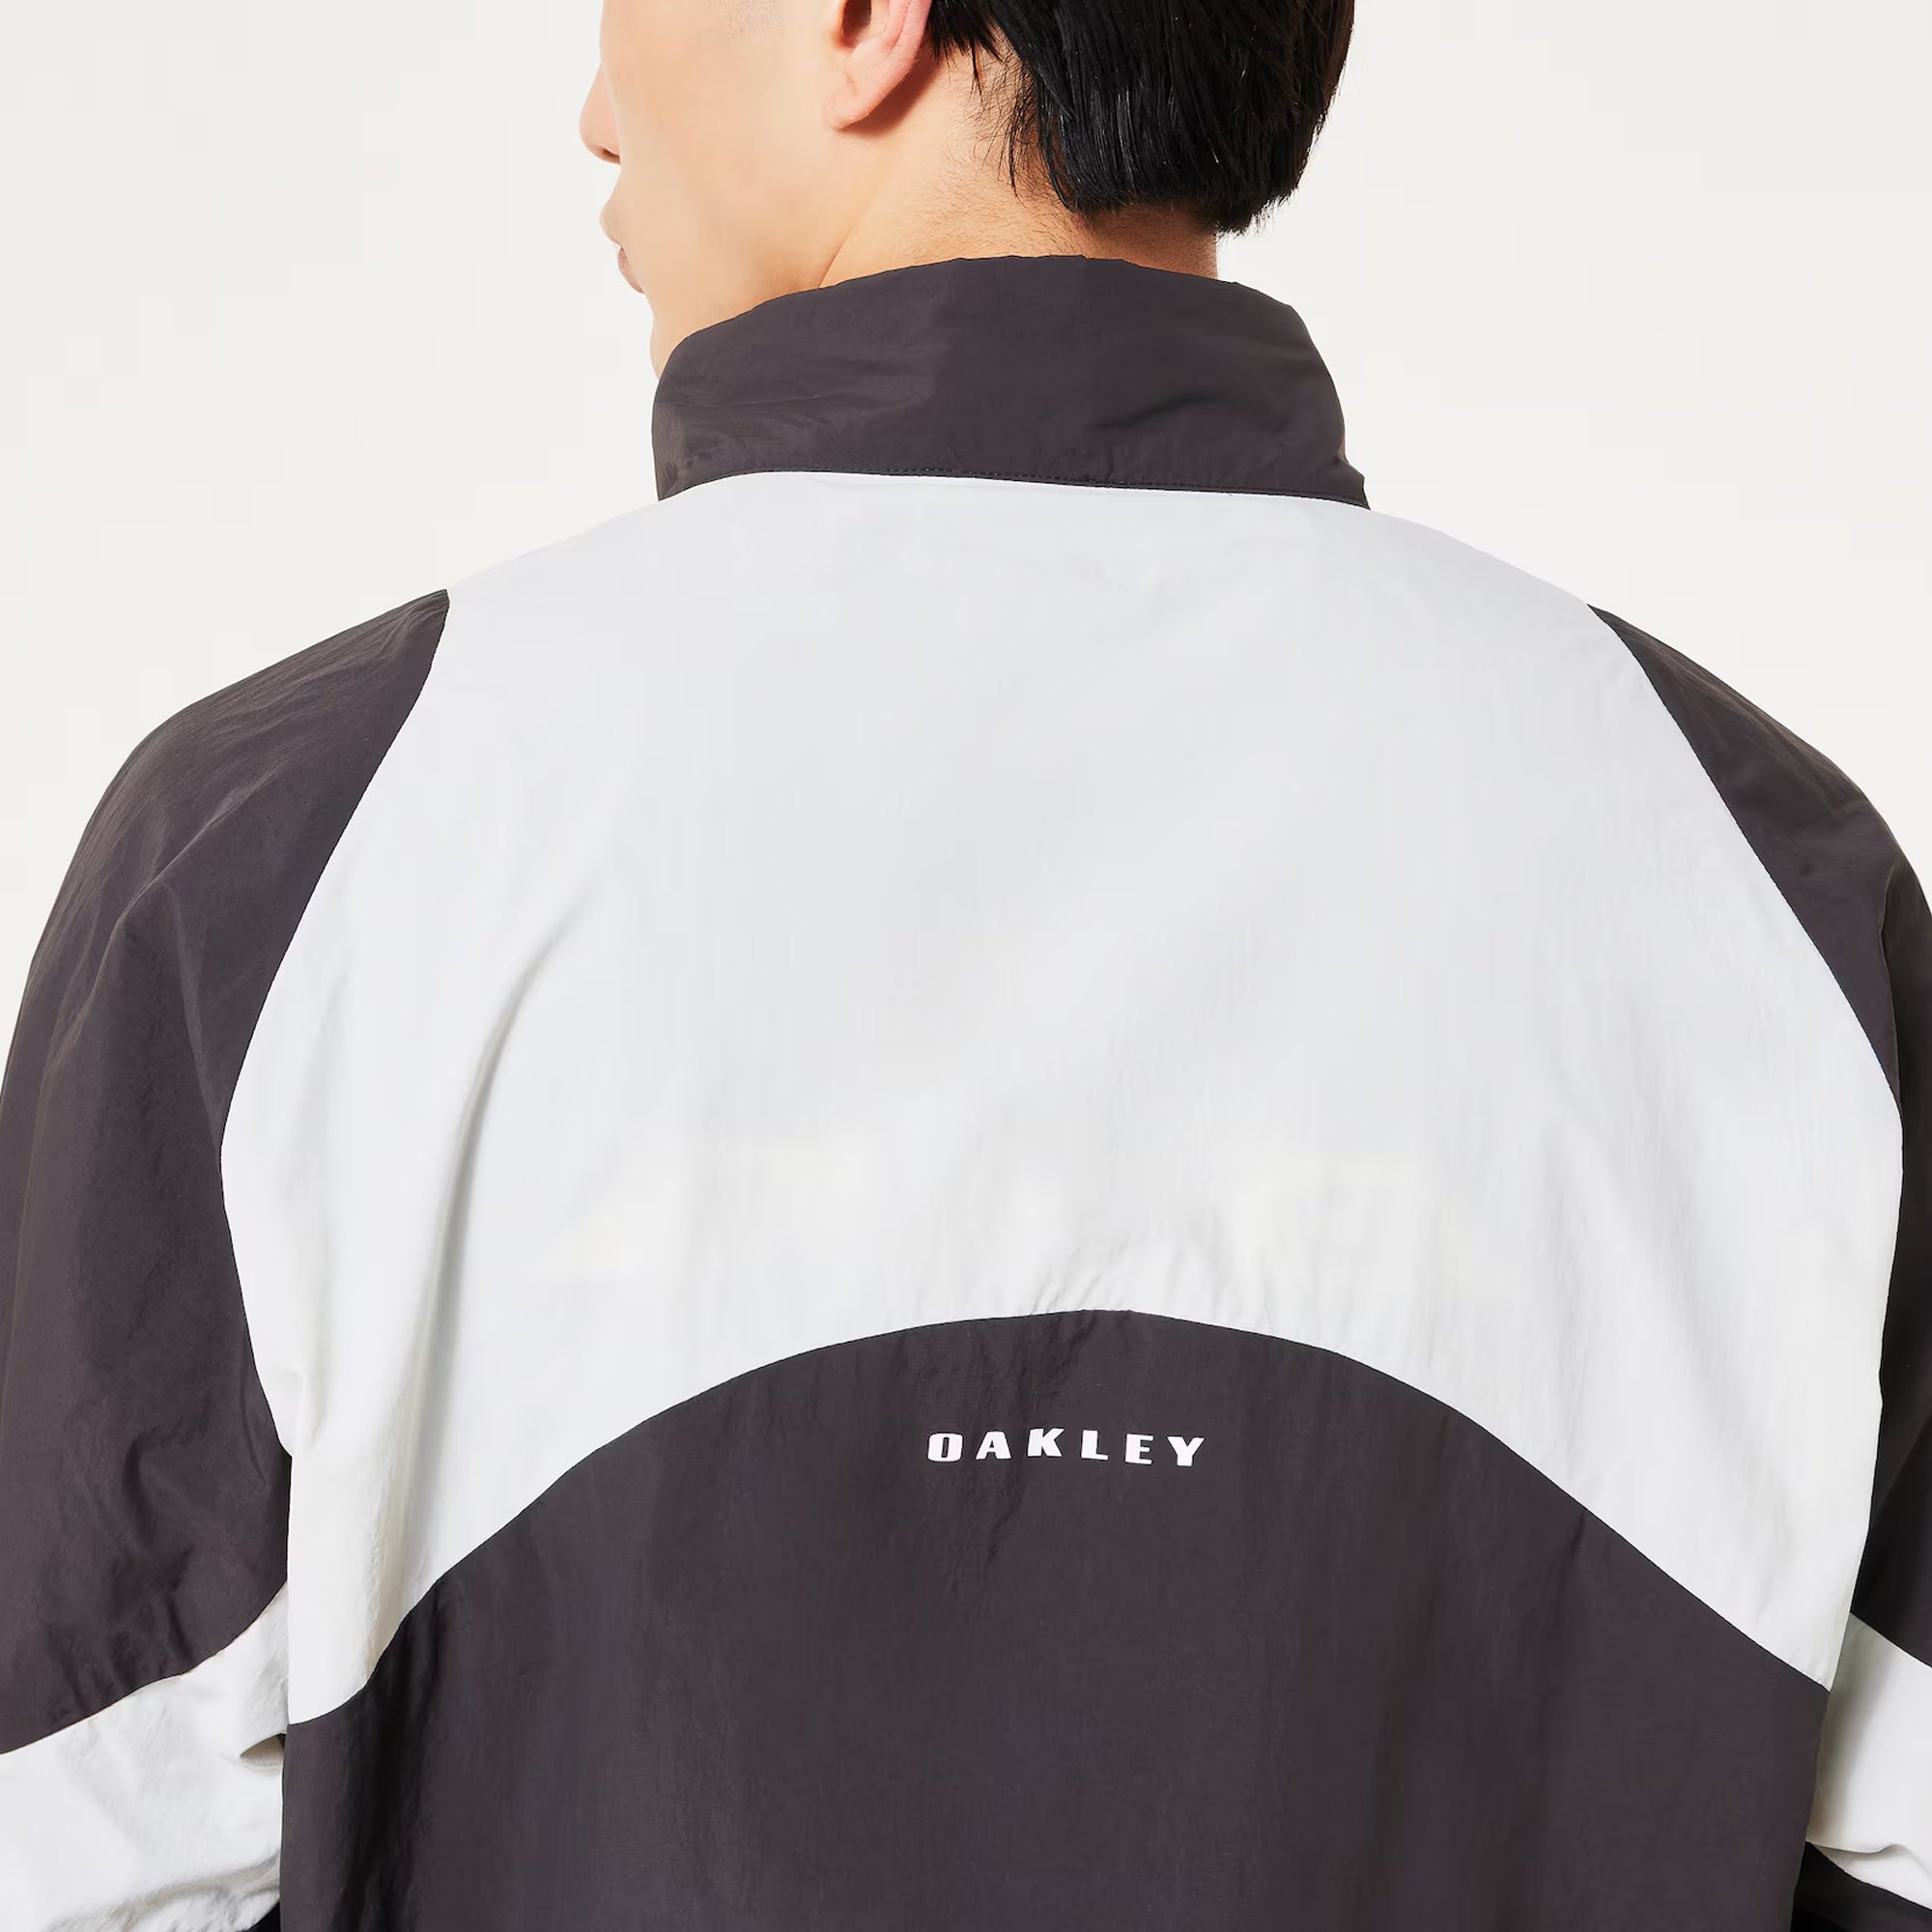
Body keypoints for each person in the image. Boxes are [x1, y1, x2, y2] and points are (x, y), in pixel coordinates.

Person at [0, 0, 1922, 1926]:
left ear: (864, 20)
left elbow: (77, 1857)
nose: (595, 111)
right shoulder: (1755, 877)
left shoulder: (295, 849)